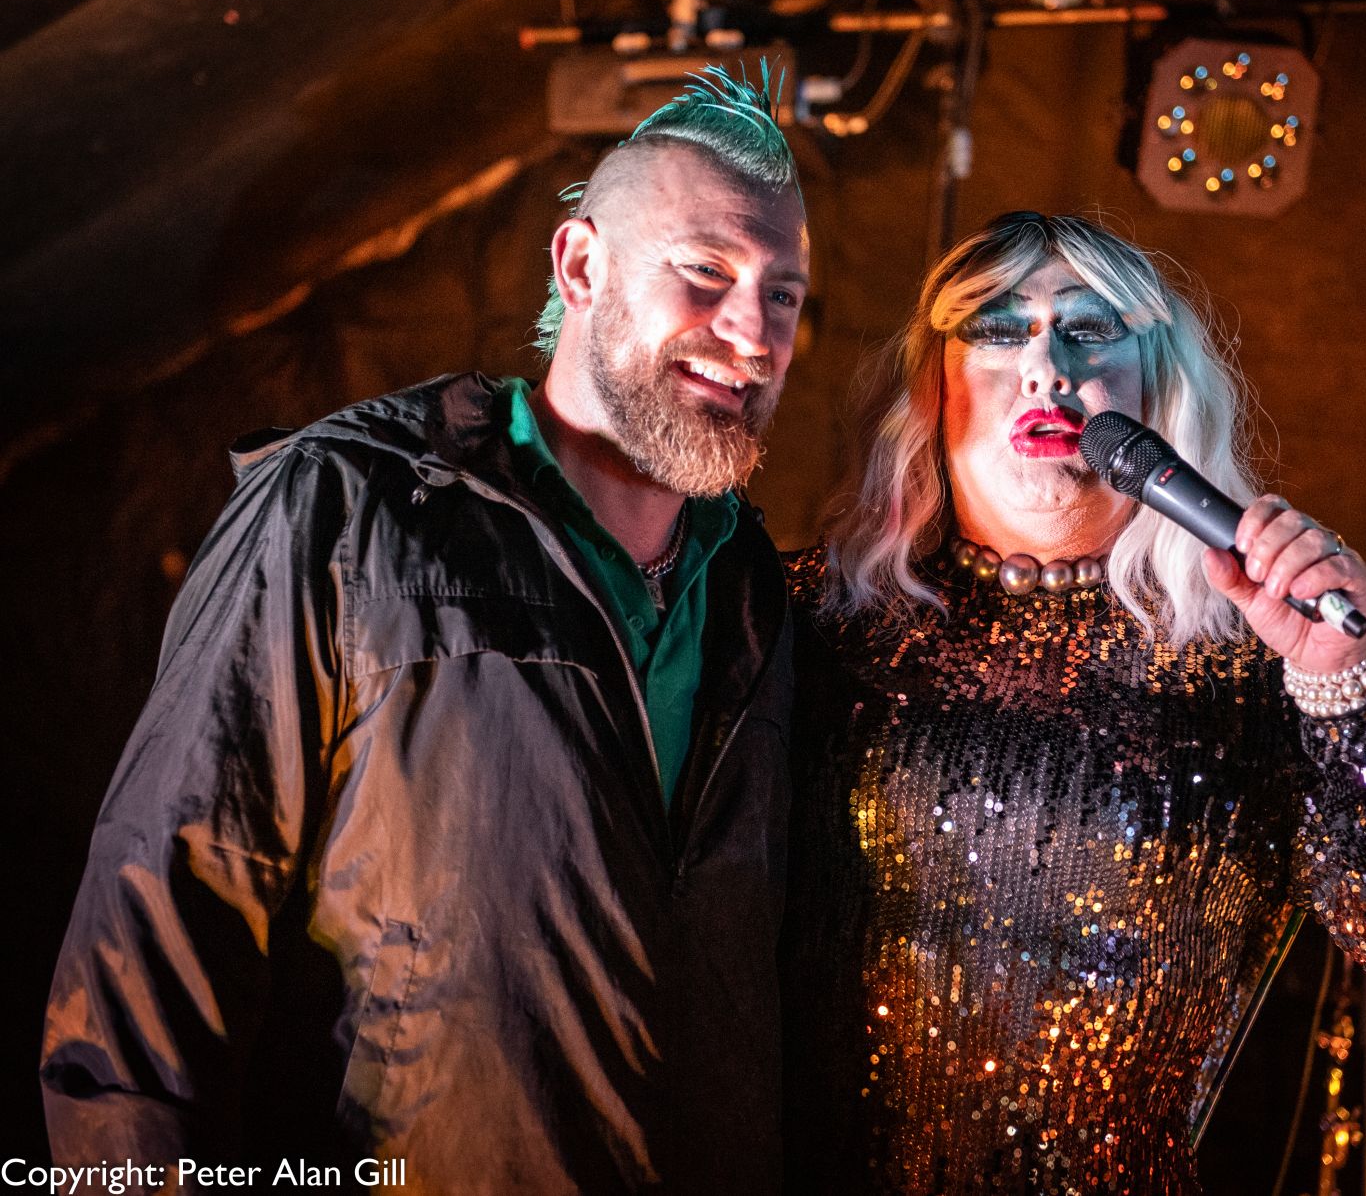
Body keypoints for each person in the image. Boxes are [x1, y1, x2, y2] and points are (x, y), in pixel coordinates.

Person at [41, 67, 809, 1194]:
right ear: (581, 266)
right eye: (706, 272)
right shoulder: (345, 509)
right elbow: (153, 942)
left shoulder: (752, 586)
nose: (751, 331)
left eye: (783, 293)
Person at [780, 211, 1366, 1196]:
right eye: (996, 330)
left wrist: (1341, 685)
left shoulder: (1252, 671)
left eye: (1088, 329)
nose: (1044, 366)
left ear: (1158, 391)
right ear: (933, 387)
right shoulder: (810, 625)